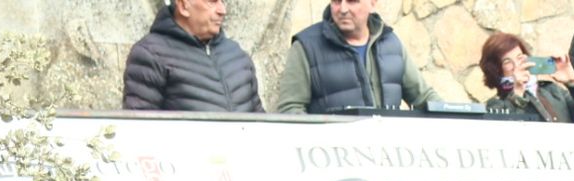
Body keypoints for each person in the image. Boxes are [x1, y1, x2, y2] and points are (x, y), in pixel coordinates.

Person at [276, 0, 440, 114]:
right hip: (332, 159)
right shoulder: (305, 47)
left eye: (352, 1)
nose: (343, 9)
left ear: (373, 3)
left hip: (388, 158)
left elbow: (424, 98)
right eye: (336, 1)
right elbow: (290, 109)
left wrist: (457, 119)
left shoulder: (391, 44)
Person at [123, 1, 263, 112]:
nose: (222, 10)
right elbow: (141, 130)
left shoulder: (237, 55)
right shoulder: (151, 54)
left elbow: (260, 122)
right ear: (184, 6)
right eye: (212, 1)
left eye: (222, 1)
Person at [480, 34, 574, 125]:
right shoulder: (496, 104)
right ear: (496, 70)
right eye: (507, 62)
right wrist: (517, 92)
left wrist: (573, 81)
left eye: (519, 57)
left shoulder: (552, 90)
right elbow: (507, 132)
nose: (517, 65)